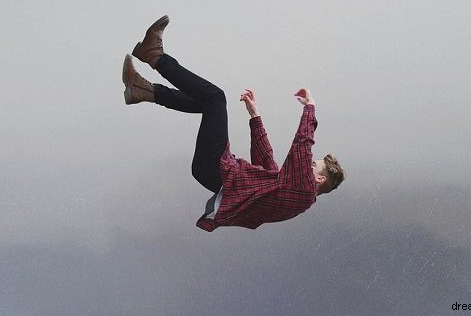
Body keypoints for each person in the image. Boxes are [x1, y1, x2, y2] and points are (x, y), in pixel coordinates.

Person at [122, 15, 346, 231]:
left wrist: (310, 108)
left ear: (320, 178)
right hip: (214, 172)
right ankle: (143, 90)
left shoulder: (304, 190)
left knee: (215, 97)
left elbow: (302, 146)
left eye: (314, 165)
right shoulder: (293, 194)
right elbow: (267, 168)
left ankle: (154, 56)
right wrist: (255, 117)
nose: (309, 163)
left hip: (218, 170)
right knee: (207, 102)